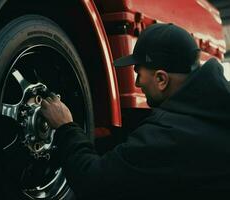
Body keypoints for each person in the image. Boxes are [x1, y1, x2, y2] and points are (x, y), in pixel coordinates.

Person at [40, 23, 230, 199]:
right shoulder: (215, 112)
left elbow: (94, 181)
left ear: (161, 79)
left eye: (138, 73)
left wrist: (66, 127)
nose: (137, 83)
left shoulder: (167, 134)